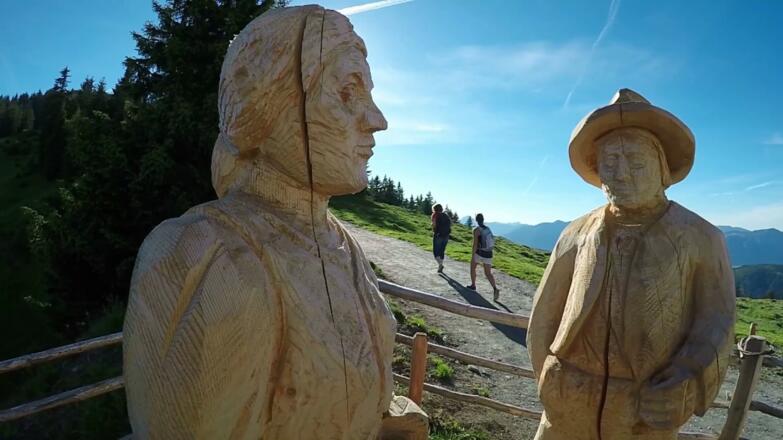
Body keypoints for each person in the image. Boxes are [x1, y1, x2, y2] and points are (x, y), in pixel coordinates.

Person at [122, 6, 417, 439]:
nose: (377, 119)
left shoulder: (341, 245)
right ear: (269, 105)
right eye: (348, 90)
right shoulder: (205, 253)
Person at [527, 89, 735, 440]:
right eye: (609, 162)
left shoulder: (701, 237)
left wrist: (686, 380)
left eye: (636, 163)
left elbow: (717, 321)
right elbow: (544, 313)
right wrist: (546, 376)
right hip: (567, 399)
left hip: (644, 412)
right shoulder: (575, 233)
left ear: (662, 168)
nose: (621, 174)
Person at [467, 213, 500, 300]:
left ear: (476, 220)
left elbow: (475, 244)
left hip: (479, 252)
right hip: (489, 253)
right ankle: (495, 288)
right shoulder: (488, 228)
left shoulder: (476, 230)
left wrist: (473, 254)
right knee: (488, 273)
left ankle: (473, 285)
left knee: (472, 267)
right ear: (483, 219)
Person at [431, 203, 451, 272]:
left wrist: (434, 229)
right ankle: (440, 266)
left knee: (436, 252)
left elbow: (434, 225)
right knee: (442, 251)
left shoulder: (435, 214)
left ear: (434, 209)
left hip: (438, 235)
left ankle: (440, 265)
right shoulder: (446, 215)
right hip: (446, 235)